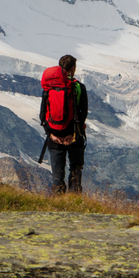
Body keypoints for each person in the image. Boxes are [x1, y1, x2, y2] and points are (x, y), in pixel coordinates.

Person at [39, 54, 88, 194]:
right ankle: (74, 204)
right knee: (75, 172)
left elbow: (42, 115)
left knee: (57, 176)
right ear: (73, 68)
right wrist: (72, 134)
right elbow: (83, 114)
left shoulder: (49, 88)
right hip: (74, 137)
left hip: (54, 138)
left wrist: (52, 135)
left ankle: (57, 207)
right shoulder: (78, 87)